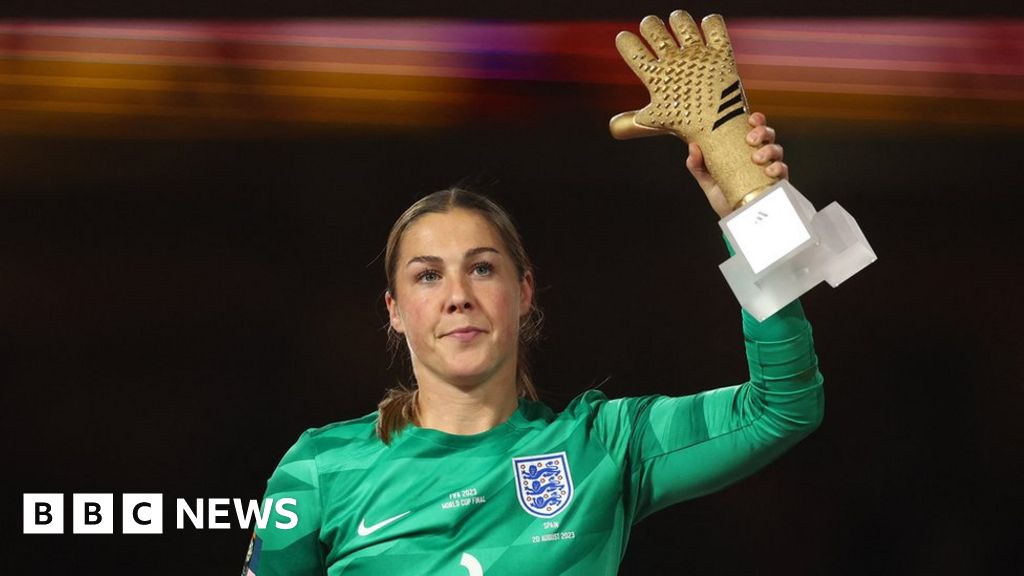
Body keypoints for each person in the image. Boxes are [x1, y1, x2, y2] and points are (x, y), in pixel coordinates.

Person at [240, 112, 824, 576]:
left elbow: (781, 407)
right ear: (394, 311)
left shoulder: (604, 447)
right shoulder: (319, 470)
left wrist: (755, 216)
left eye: (483, 269)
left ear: (524, 292)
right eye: (427, 275)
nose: (458, 296)